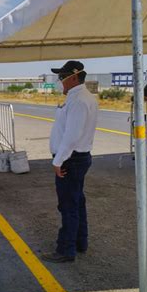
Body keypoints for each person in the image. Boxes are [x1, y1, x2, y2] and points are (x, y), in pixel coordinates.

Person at [42, 61, 98, 263]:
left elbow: (72, 136)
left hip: (70, 160)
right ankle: (80, 242)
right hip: (75, 158)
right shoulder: (77, 97)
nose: (59, 81)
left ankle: (66, 250)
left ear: (74, 77)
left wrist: (58, 161)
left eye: (62, 76)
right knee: (77, 202)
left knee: (68, 206)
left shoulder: (79, 100)